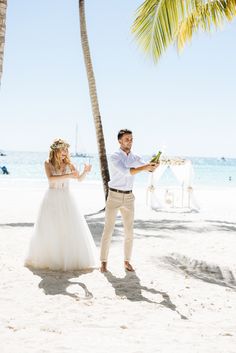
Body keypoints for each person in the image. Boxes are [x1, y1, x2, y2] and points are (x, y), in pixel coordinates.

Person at [25, 138, 97, 271]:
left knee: (67, 228)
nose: (65, 152)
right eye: (62, 150)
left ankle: (66, 257)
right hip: (51, 197)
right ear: (55, 151)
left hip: (66, 198)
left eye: (66, 150)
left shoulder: (69, 164)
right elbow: (51, 179)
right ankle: (51, 257)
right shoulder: (48, 163)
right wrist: (69, 175)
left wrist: (85, 172)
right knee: (50, 228)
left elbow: (79, 179)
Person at [100, 129, 159, 273]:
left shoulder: (136, 157)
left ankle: (126, 262)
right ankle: (103, 262)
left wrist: (154, 165)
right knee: (108, 230)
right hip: (114, 196)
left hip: (129, 198)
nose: (130, 141)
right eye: (127, 139)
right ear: (120, 141)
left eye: (131, 139)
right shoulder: (115, 157)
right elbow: (127, 171)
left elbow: (148, 169)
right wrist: (145, 167)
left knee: (129, 232)